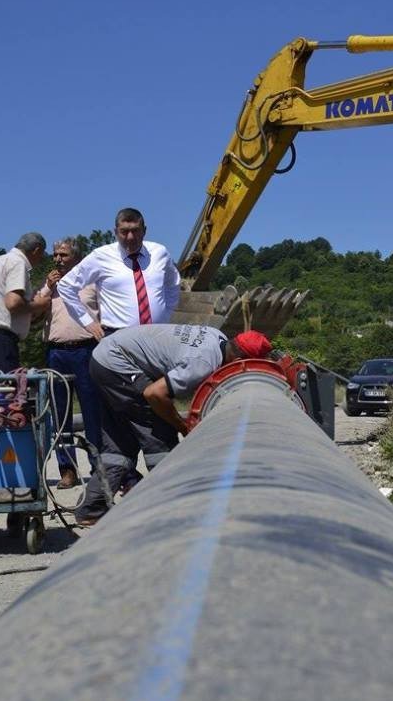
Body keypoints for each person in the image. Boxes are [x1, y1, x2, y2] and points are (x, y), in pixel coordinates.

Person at [74, 325, 272, 525]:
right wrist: (182, 425)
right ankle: (171, 509)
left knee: (119, 444)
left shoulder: (217, 336)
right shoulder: (202, 362)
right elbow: (154, 393)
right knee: (160, 435)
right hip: (116, 363)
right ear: (238, 360)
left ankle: (92, 508)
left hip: (104, 357)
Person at [57, 207, 180, 340]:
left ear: (144, 231)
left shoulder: (159, 252)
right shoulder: (101, 257)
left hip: (157, 335)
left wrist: (166, 313)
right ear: (115, 232)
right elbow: (66, 286)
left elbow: (173, 284)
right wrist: (88, 322)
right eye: (124, 232)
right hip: (118, 338)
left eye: (135, 231)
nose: (130, 237)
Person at [40, 237, 104, 489]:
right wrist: (46, 287)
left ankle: (98, 465)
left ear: (77, 258)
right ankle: (67, 469)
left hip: (86, 351)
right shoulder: (49, 287)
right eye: (56, 255)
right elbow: (34, 311)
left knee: (92, 412)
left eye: (64, 255)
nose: (58, 259)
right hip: (56, 353)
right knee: (60, 415)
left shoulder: (91, 284)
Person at [0, 232, 50, 373]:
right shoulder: (18, 263)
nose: (40, 260)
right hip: (0, 340)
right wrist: (39, 304)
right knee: (1, 391)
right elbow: (13, 303)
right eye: (41, 255)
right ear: (37, 249)